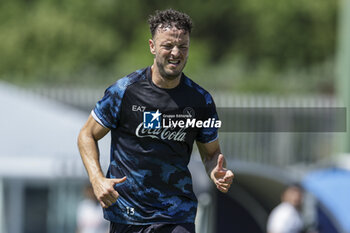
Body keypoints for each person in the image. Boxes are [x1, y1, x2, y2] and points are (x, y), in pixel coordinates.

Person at [77, 8, 234, 233]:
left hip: (177, 214)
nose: (175, 53)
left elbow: (211, 153)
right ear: (152, 46)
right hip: (128, 215)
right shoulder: (124, 91)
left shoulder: (201, 100)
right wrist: (97, 179)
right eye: (168, 45)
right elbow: (87, 134)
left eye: (183, 46)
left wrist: (217, 171)